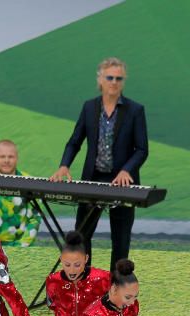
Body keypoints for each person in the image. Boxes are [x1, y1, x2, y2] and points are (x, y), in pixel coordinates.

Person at [50, 57, 148, 271]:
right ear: (101, 79)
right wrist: (64, 165)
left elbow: (142, 149)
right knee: (82, 234)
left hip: (122, 184)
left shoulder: (135, 110)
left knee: (120, 238)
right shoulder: (89, 108)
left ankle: (117, 285)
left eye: (118, 78)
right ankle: (85, 280)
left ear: (123, 81)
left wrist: (126, 170)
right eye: (110, 77)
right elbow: (74, 141)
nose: (114, 82)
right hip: (93, 179)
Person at [0, 140, 40, 248]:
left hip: (21, 247)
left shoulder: (30, 183)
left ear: (17, 158)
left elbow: (35, 219)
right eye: (2, 156)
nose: (6, 160)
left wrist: (21, 246)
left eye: (10, 157)